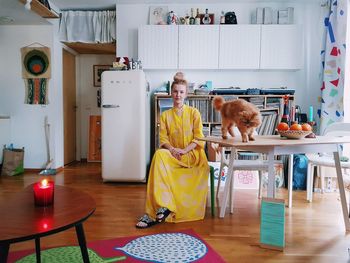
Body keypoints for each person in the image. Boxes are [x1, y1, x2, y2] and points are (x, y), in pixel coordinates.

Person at [136, 73, 209, 228]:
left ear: (186, 94)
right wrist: (173, 149)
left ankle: (154, 213)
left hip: (192, 155)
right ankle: (160, 208)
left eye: (181, 92)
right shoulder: (165, 115)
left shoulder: (194, 113)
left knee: (159, 157)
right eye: (175, 91)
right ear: (171, 93)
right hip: (173, 154)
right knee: (159, 154)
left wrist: (184, 151)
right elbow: (163, 140)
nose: (178, 95)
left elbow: (199, 138)